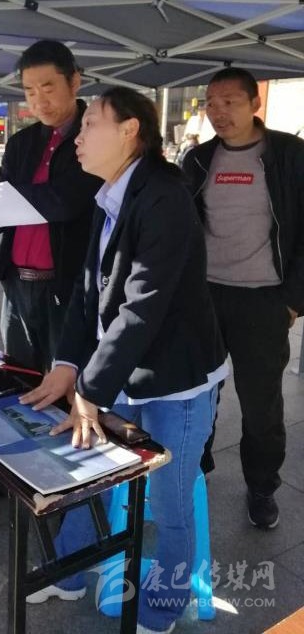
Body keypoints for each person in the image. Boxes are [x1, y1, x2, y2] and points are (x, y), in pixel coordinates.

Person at [21, 86, 227, 634]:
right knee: (94, 473)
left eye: (91, 124)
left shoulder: (165, 196)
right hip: (123, 373)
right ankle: (71, 570)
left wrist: (89, 391)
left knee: (170, 499)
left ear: (130, 130)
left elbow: (142, 308)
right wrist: (67, 364)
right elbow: (88, 291)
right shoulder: (111, 192)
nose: (79, 136)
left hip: (175, 382)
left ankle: (163, 607)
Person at [182, 67, 304, 529]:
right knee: (198, 394)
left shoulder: (290, 155)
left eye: (230, 102)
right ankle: (196, 469)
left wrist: (292, 300)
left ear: (255, 103)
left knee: (261, 405)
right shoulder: (198, 159)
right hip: (206, 297)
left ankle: (262, 485)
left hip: (263, 301)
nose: (218, 112)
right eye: (211, 103)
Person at [0, 40, 102, 372]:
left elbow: (65, 201)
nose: (39, 100)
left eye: (48, 87)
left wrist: (8, 198)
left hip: (66, 287)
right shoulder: (20, 143)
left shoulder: (94, 137)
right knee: (19, 376)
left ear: (75, 81)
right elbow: (2, 201)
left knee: (64, 380)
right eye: (29, 91)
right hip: (17, 285)